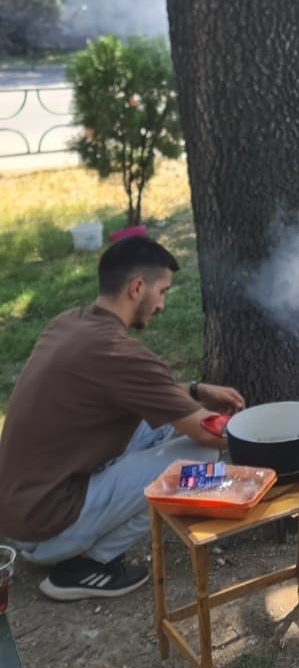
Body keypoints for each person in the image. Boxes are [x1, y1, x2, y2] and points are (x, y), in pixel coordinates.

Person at [0, 236, 245, 600]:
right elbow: (209, 435)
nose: (161, 304)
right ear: (137, 288)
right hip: (46, 530)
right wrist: (263, 429)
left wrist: (194, 390)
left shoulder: (69, 325)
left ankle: (85, 540)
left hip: (20, 511)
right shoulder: (118, 354)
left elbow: (145, 392)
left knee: (159, 421)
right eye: (162, 291)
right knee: (199, 458)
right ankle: (90, 565)